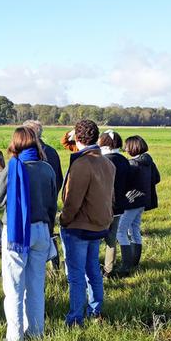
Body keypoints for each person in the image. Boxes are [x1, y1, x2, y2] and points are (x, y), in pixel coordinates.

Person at [0, 127, 57, 341]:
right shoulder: (47, 168)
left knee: (14, 288)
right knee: (36, 286)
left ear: (15, 144)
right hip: (41, 231)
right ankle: (36, 333)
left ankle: (15, 339)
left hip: (17, 231)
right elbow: (51, 204)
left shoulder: (13, 168)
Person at [59, 120, 115, 327]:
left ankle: (76, 318)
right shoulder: (107, 163)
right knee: (93, 270)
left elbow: (73, 201)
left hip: (79, 226)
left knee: (76, 276)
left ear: (77, 136)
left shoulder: (82, 164)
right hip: (99, 225)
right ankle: (95, 310)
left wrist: (63, 219)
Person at [22, 119, 63, 269]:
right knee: (49, 231)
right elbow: (59, 177)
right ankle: (55, 265)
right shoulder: (52, 151)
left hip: (32, 201)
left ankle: (41, 265)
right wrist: (52, 194)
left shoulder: (30, 153)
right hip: (49, 198)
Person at [117, 135, 160, 274]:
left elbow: (124, 184)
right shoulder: (149, 161)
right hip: (143, 200)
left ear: (133, 147)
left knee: (120, 232)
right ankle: (134, 261)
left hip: (131, 201)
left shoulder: (132, 164)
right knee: (134, 229)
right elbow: (157, 178)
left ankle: (125, 266)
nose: (125, 148)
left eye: (127, 146)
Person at [98, 130, 130, 278]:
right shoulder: (124, 160)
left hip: (102, 205)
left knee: (94, 238)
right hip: (119, 205)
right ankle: (108, 269)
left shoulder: (102, 160)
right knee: (112, 239)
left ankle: (92, 267)